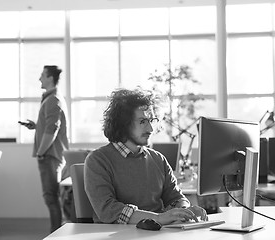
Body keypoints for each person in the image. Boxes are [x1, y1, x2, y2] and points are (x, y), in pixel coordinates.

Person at [84, 88, 208, 226]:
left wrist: (184, 210)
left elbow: (175, 197)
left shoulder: (158, 159)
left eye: (151, 120)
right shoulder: (98, 160)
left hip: (158, 233)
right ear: (123, 124)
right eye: (142, 121)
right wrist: (159, 218)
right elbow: (108, 210)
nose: (151, 129)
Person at [20, 65, 69, 233]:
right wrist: (36, 126)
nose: (39, 78)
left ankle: (55, 234)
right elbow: (49, 126)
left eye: (42, 75)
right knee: (52, 198)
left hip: (49, 156)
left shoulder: (53, 99)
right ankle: (57, 233)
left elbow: (52, 129)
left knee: (51, 198)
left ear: (50, 78)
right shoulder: (51, 98)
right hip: (51, 155)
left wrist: (41, 152)